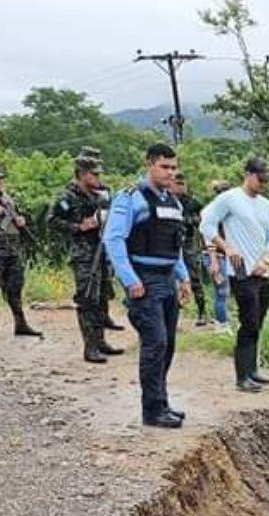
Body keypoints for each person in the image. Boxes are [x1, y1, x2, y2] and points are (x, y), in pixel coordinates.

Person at [103, 143, 192, 429]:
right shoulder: (131, 198)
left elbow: (174, 245)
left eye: (173, 167)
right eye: (164, 167)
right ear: (149, 164)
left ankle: (161, 402)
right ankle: (152, 410)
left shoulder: (172, 201)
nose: (170, 172)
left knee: (168, 346)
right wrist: (130, 279)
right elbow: (113, 240)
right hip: (144, 279)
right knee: (155, 343)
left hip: (167, 277)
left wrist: (184, 277)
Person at [199, 158, 269, 393]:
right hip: (241, 271)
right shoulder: (230, 199)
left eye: (266, 180)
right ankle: (242, 376)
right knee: (249, 321)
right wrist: (225, 247)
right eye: (260, 178)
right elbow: (207, 224)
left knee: (259, 320)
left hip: (262, 271)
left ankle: (253, 370)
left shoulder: (266, 205)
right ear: (248, 174)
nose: (263, 184)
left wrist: (266, 256)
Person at [48, 155, 122, 364]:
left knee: (100, 299)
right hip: (83, 254)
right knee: (87, 298)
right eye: (94, 174)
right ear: (82, 174)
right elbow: (52, 220)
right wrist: (78, 227)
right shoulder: (67, 197)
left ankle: (100, 341)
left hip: (101, 251)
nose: (99, 177)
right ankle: (90, 347)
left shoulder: (99, 194)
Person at [0, 163, 42, 340]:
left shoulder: (6, 197)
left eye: (1, 178)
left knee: (15, 287)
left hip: (12, 247)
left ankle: (21, 324)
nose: (0, 181)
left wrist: (20, 220)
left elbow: (14, 215)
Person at [171, 172, 208, 327]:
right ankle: (173, 314)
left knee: (194, 277)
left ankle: (202, 312)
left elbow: (201, 221)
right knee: (171, 279)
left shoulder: (193, 202)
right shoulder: (167, 200)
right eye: (177, 183)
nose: (180, 187)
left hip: (189, 242)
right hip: (170, 242)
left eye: (182, 184)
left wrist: (187, 220)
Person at [202, 180, 232, 329]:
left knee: (224, 291)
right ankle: (221, 324)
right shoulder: (211, 211)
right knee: (221, 290)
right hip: (214, 257)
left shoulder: (222, 210)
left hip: (223, 256)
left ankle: (222, 320)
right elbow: (209, 238)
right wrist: (213, 261)